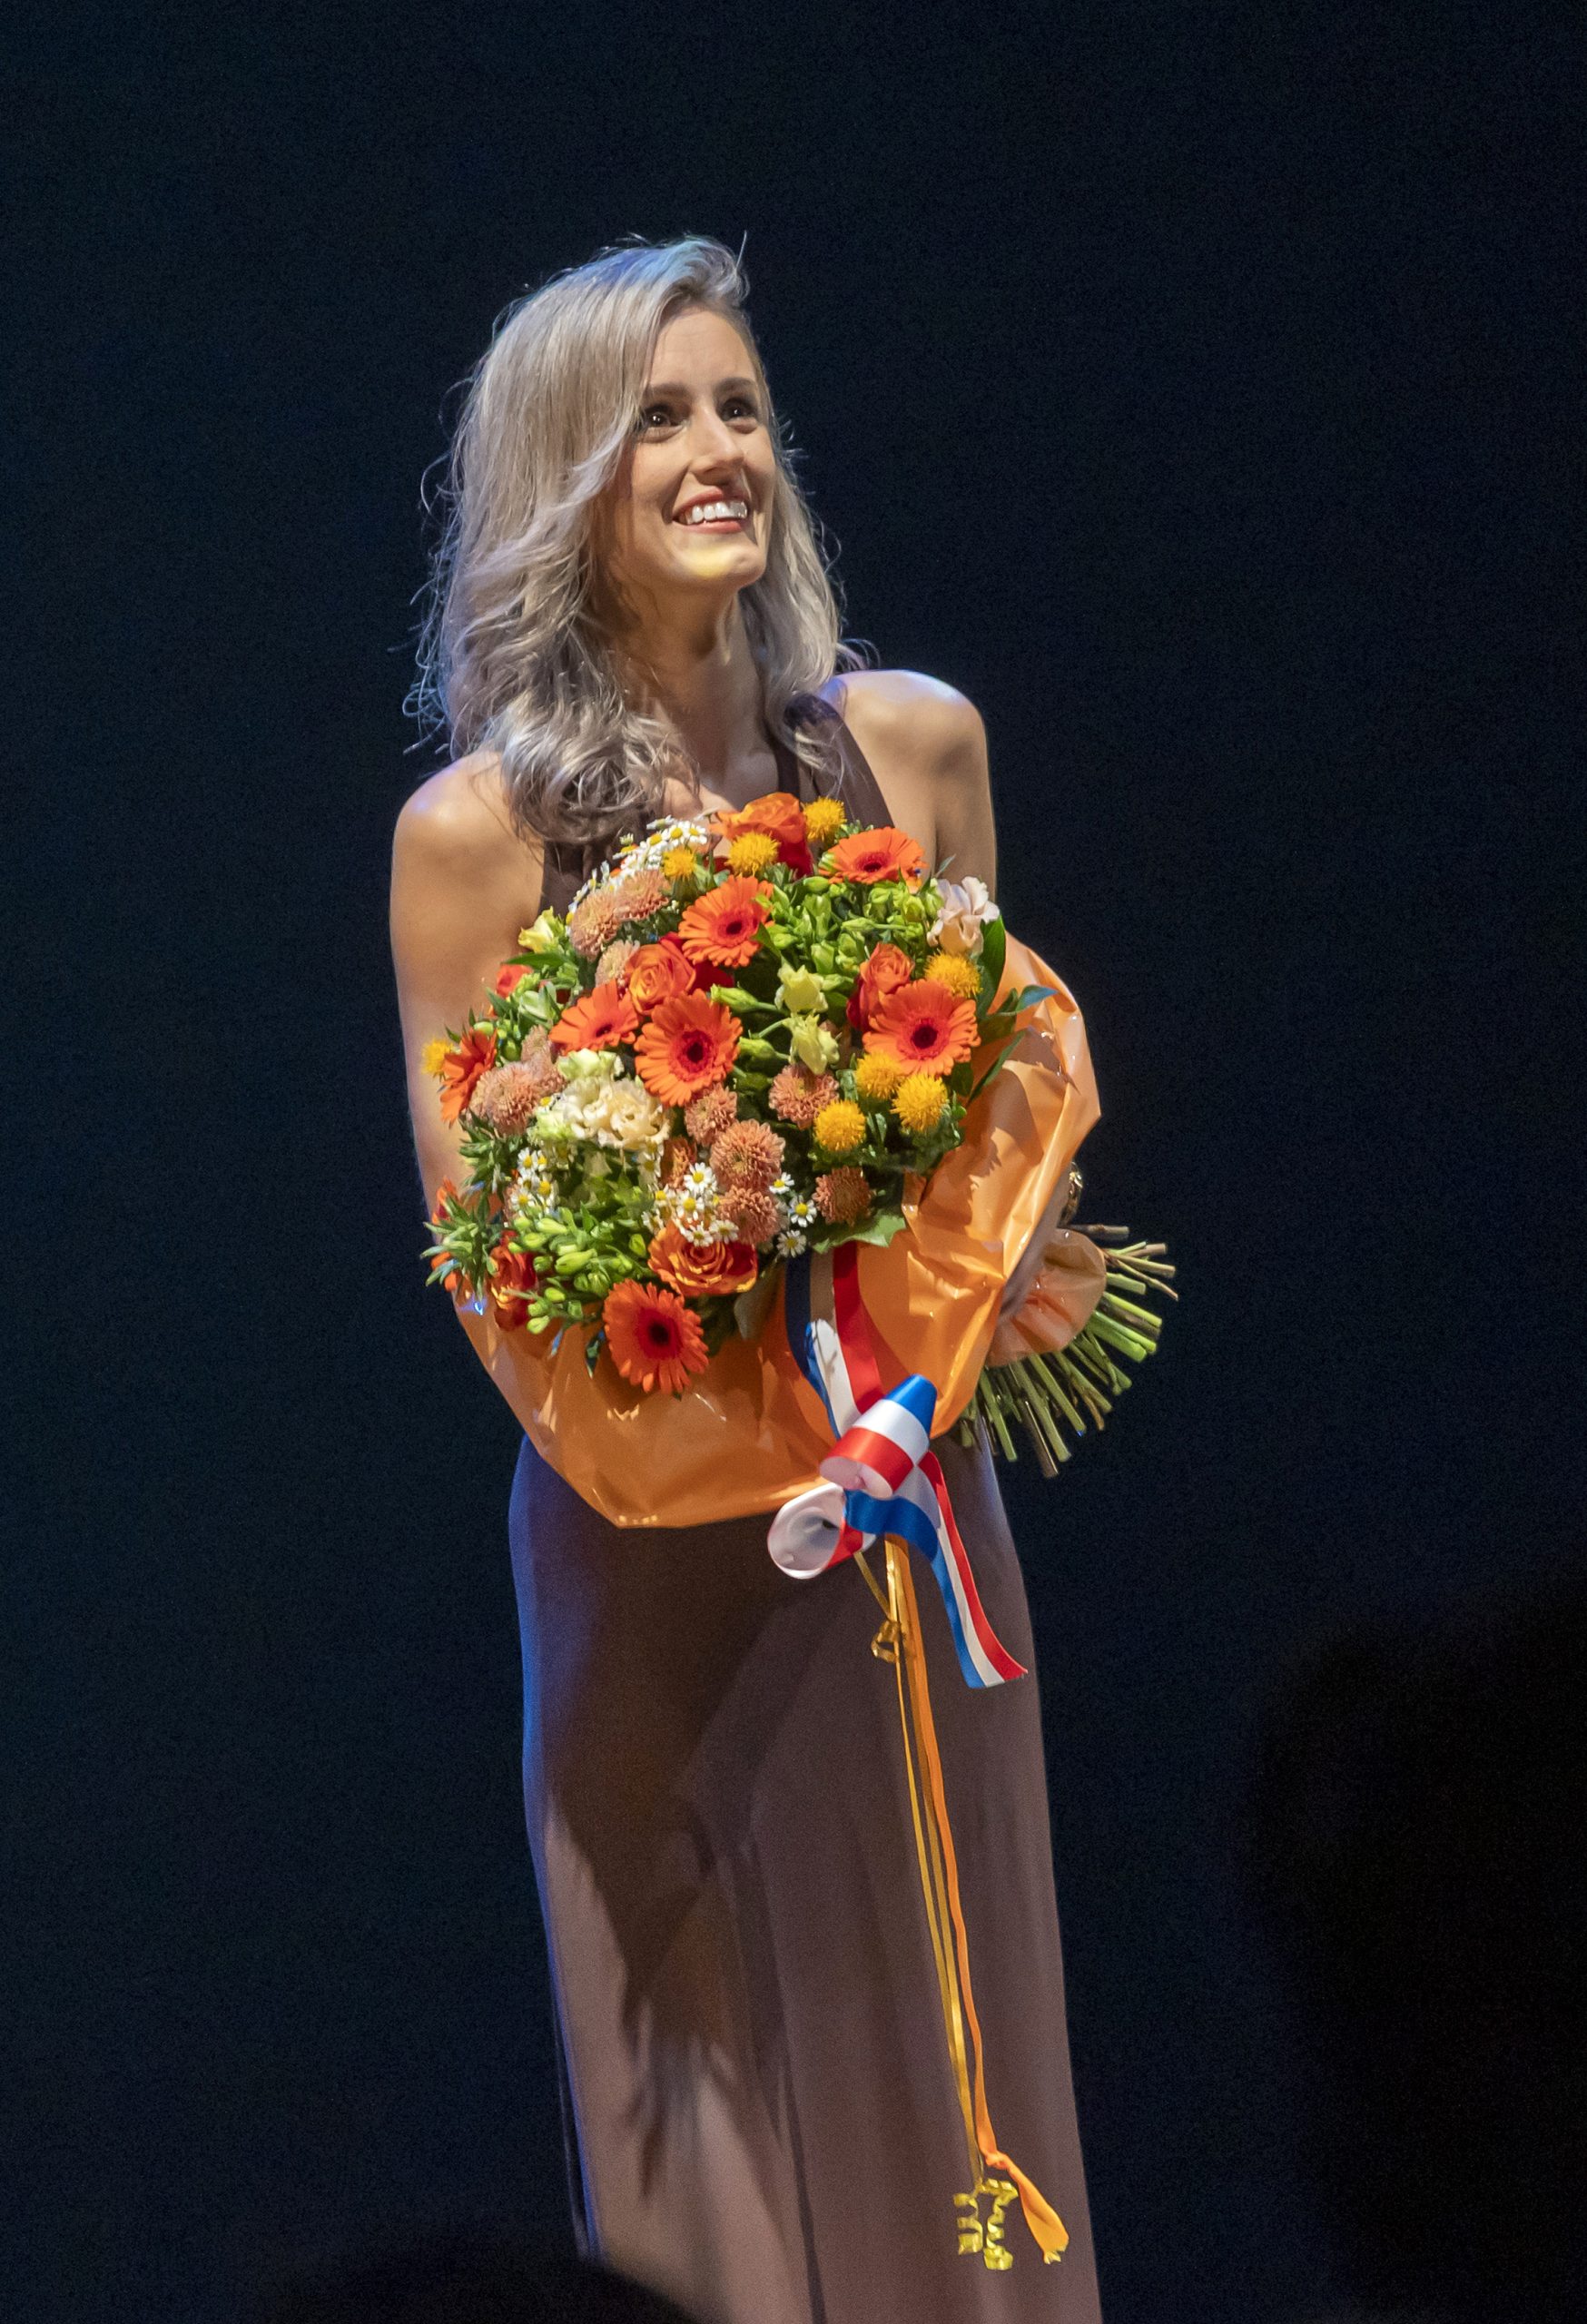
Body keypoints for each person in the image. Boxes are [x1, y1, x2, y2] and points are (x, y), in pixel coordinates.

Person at [389, 237, 1104, 2324]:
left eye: (738, 407)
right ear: (566, 478)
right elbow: (489, 1258)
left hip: (897, 1516)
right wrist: (699, 1248)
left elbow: (997, 1111)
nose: (718, 450)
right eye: (657, 420)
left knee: (955, 2074)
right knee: (705, 2128)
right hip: (651, 1543)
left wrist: (1013, 1261)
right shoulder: (473, 836)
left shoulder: (916, 743)